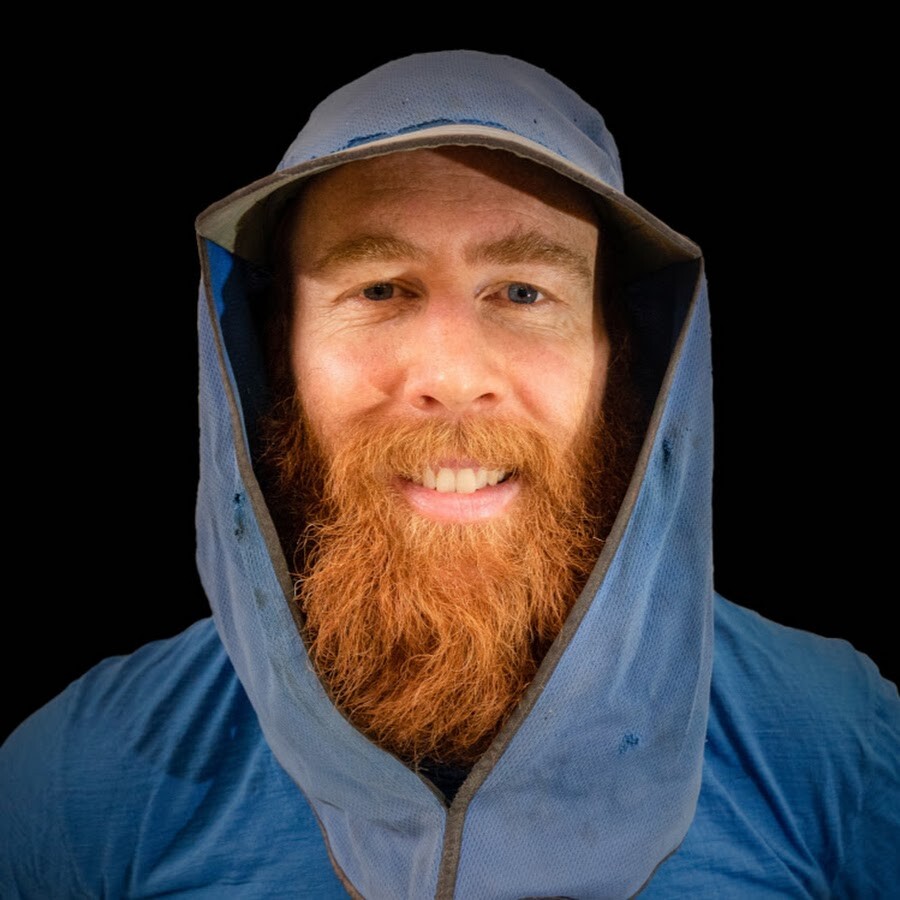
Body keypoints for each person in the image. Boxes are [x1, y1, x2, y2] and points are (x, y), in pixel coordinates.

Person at [2, 49, 898, 898]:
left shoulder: (832, 740)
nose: (451, 375)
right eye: (379, 289)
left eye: (523, 292)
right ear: (275, 354)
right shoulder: (86, 775)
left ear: (621, 356)